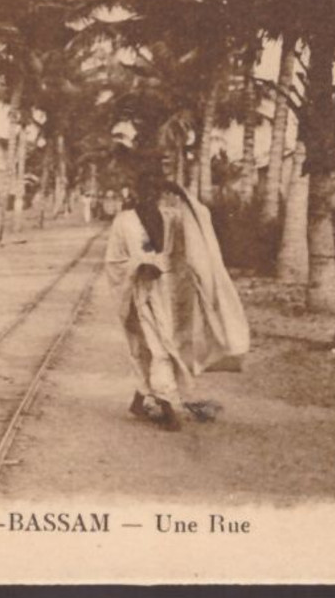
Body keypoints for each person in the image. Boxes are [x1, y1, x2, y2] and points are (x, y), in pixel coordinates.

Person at [103, 161, 249, 431]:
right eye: (144, 189)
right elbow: (113, 261)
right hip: (141, 293)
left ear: (160, 191)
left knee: (165, 345)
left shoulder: (171, 216)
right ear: (135, 191)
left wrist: (183, 193)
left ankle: (140, 399)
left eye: (154, 190)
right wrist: (138, 267)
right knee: (159, 348)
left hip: (171, 292)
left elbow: (200, 219)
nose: (149, 195)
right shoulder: (124, 221)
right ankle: (169, 406)